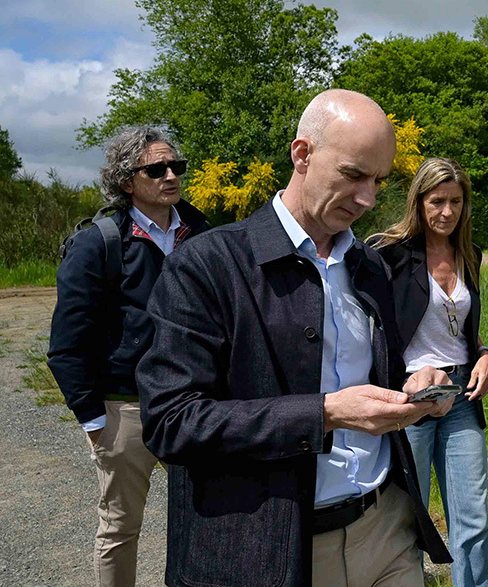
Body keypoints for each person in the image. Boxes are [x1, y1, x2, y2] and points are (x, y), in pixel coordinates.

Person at [137, 89, 453, 587]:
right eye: (353, 175)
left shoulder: (368, 265)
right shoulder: (206, 266)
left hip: (387, 531)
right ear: (301, 154)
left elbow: (371, 376)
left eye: (378, 180)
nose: (368, 199)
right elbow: (172, 423)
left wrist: (414, 384)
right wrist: (324, 413)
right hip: (275, 548)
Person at [48, 126, 211, 587]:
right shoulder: (98, 242)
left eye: (175, 166)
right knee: (120, 528)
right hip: (125, 410)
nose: (170, 175)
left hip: (194, 405)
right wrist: (93, 420)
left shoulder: (203, 234)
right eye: (155, 169)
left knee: (208, 519)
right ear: (126, 181)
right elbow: (67, 342)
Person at [371, 157, 488, 587]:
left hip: (461, 393)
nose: (447, 212)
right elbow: (372, 331)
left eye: (456, 202)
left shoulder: (470, 254)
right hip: (411, 395)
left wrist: (484, 354)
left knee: (473, 519)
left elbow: (466, 330)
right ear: (419, 202)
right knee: (410, 516)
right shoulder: (387, 255)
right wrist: (401, 378)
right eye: (437, 201)